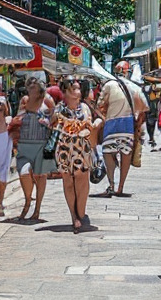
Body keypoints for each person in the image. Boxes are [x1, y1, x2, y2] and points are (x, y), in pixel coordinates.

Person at [95, 60, 148, 198]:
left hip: (111, 123)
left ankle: (111, 185)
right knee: (126, 154)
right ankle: (120, 187)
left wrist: (105, 117)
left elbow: (99, 105)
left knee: (107, 153)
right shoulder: (135, 88)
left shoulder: (109, 85)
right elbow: (144, 109)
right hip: (128, 124)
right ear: (127, 72)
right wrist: (137, 124)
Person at [53, 78, 97, 233]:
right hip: (65, 147)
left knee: (82, 180)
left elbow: (89, 124)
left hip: (81, 147)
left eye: (78, 88)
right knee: (68, 181)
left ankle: (80, 211)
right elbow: (56, 126)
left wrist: (89, 128)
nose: (77, 91)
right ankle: (74, 215)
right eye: (74, 89)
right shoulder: (59, 109)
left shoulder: (84, 107)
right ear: (65, 92)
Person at [10, 79, 55, 221]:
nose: (29, 89)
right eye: (29, 86)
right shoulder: (25, 100)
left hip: (41, 143)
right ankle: (28, 200)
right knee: (23, 172)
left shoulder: (47, 100)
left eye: (33, 87)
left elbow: (55, 118)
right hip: (24, 143)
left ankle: (37, 209)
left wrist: (47, 121)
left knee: (41, 176)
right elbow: (18, 118)